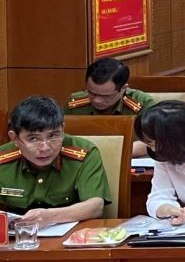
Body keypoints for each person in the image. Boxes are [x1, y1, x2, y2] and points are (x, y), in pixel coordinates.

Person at [0, 96, 110, 224]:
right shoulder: (3, 159)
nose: (45, 148)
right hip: (17, 234)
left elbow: (95, 207)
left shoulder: (84, 153)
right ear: (15, 138)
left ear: (62, 130)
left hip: (73, 232)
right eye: (33, 139)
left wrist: (50, 216)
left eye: (53, 136)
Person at [67, 57, 156, 117]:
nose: (97, 100)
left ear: (123, 88)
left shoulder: (142, 104)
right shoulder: (74, 103)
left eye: (105, 96)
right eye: (91, 93)